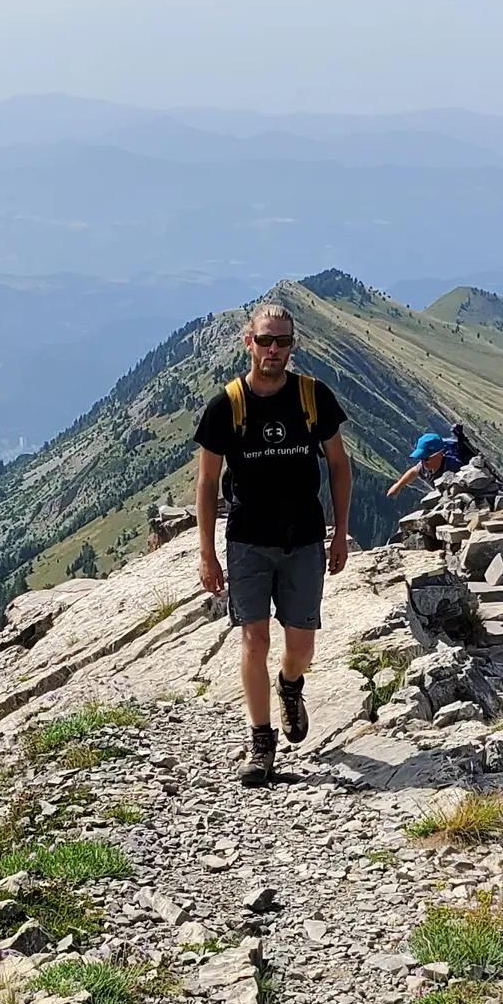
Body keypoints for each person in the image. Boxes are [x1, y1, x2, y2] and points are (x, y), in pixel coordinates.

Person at [194, 301, 352, 787]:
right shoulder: (227, 405)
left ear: (293, 346)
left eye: (283, 342)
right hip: (247, 541)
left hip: (303, 539)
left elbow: (339, 465)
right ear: (249, 342)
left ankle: (290, 684)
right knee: (254, 639)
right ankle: (261, 742)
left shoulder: (312, 396)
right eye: (266, 340)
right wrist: (206, 553)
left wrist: (339, 531)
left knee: (300, 648)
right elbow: (206, 482)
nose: (274, 350)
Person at [386, 422, 481, 499]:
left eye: (426, 458)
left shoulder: (455, 467)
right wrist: (398, 486)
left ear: (439, 454)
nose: (423, 463)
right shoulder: (427, 464)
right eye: (421, 458)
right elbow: (414, 471)